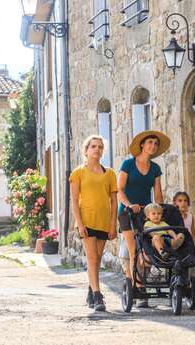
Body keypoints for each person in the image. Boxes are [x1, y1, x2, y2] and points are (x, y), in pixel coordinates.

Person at [117, 130, 170, 308]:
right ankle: (137, 289)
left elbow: (158, 193)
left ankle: (141, 286)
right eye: (150, 143)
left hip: (146, 213)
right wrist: (130, 205)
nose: (153, 146)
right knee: (133, 251)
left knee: (145, 250)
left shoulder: (155, 168)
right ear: (142, 145)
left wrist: (160, 209)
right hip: (127, 212)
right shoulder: (128, 164)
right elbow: (120, 189)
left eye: (155, 144)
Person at [70, 135, 117, 312]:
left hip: (103, 221)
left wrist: (113, 225)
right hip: (86, 220)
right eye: (93, 147)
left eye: (100, 147)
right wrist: (80, 224)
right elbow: (74, 201)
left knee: (97, 258)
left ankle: (91, 290)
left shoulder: (110, 173)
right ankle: (98, 295)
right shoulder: (78, 173)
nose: (97, 149)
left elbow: (114, 202)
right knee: (91, 257)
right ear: (86, 150)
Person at [173, 191, 195, 305]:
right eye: (180, 201)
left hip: (188, 246)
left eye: (185, 201)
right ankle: (177, 290)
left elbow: (193, 233)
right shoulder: (174, 217)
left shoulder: (190, 217)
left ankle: (190, 293)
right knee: (178, 268)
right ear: (175, 203)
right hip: (178, 246)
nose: (183, 203)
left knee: (190, 270)